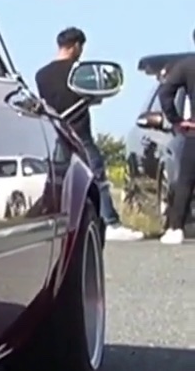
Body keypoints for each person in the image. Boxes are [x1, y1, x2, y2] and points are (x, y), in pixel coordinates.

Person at [33, 28, 145, 241]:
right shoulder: (80, 72)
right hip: (80, 131)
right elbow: (93, 96)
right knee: (97, 177)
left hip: (57, 132)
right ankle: (110, 222)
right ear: (76, 46)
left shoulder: (41, 74)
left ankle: (51, 222)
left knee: (57, 180)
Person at [147, 38, 195, 245]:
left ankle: (176, 228)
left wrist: (177, 121)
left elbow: (165, 94)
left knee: (186, 180)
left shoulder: (186, 65)